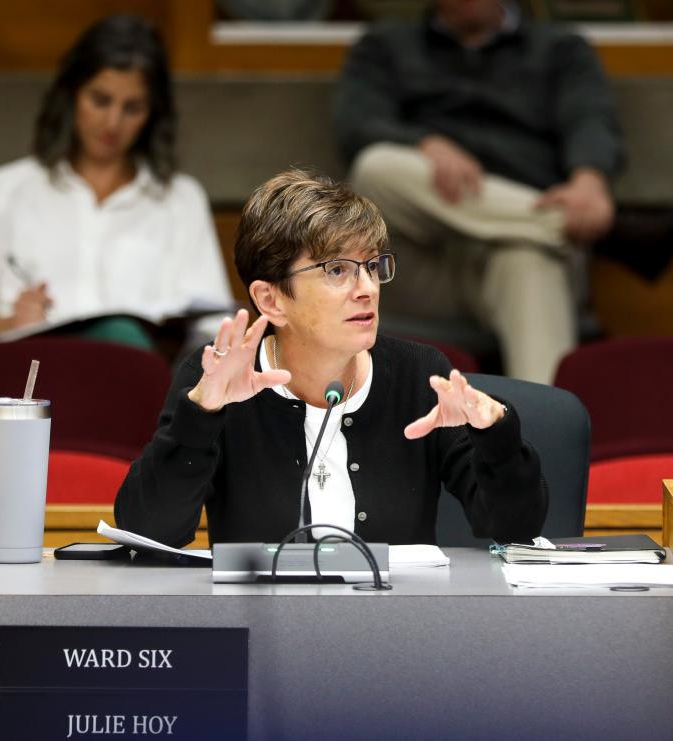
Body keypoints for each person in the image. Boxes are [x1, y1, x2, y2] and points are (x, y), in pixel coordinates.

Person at [114, 169, 547, 547]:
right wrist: (201, 413)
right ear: (272, 299)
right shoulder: (219, 380)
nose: (367, 288)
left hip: (394, 627)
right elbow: (150, 530)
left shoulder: (419, 377)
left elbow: (515, 527)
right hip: (264, 629)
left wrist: (496, 431)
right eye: (337, 270)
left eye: (372, 266)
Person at [333, 0, 624, 384]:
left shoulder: (560, 49)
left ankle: (545, 439)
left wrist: (589, 182)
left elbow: (590, 119)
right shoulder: (385, 46)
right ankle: (570, 226)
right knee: (376, 167)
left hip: (515, 252)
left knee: (530, 259)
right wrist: (424, 144)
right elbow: (357, 122)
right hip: (420, 261)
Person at [0, 15, 232, 354]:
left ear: (153, 114)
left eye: (132, 107)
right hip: (28, 387)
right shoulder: (3, 191)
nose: (113, 122)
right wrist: (10, 324)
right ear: (72, 95)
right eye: (100, 100)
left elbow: (213, 326)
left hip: (144, 394)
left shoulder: (181, 200)